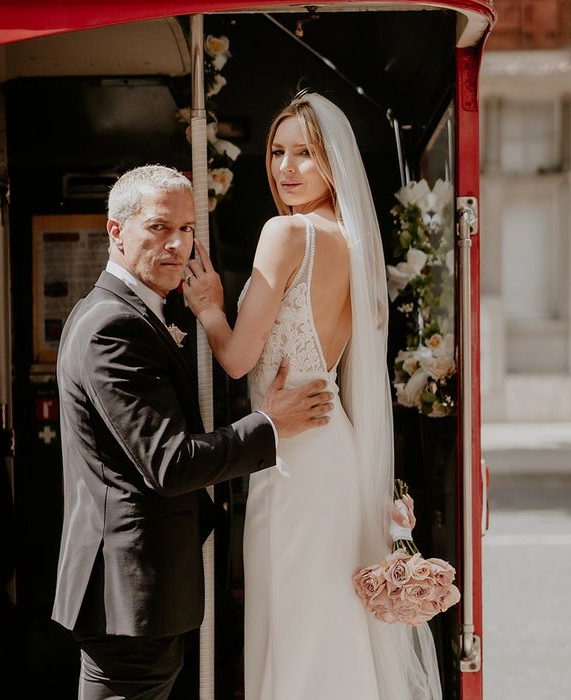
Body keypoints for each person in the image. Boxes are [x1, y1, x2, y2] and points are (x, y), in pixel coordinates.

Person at [183, 93, 442, 699]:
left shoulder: (286, 232)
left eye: (305, 153)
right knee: (330, 618)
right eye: (277, 151)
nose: (286, 168)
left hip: (292, 450)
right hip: (336, 445)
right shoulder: (353, 243)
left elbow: (239, 358)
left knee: (296, 620)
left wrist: (209, 309)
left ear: (333, 163)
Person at [52, 164, 335, 700]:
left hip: (138, 596)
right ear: (116, 230)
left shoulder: (133, 312)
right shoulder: (112, 325)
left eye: (186, 230)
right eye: (159, 228)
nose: (177, 244)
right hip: (128, 594)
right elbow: (170, 464)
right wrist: (271, 425)